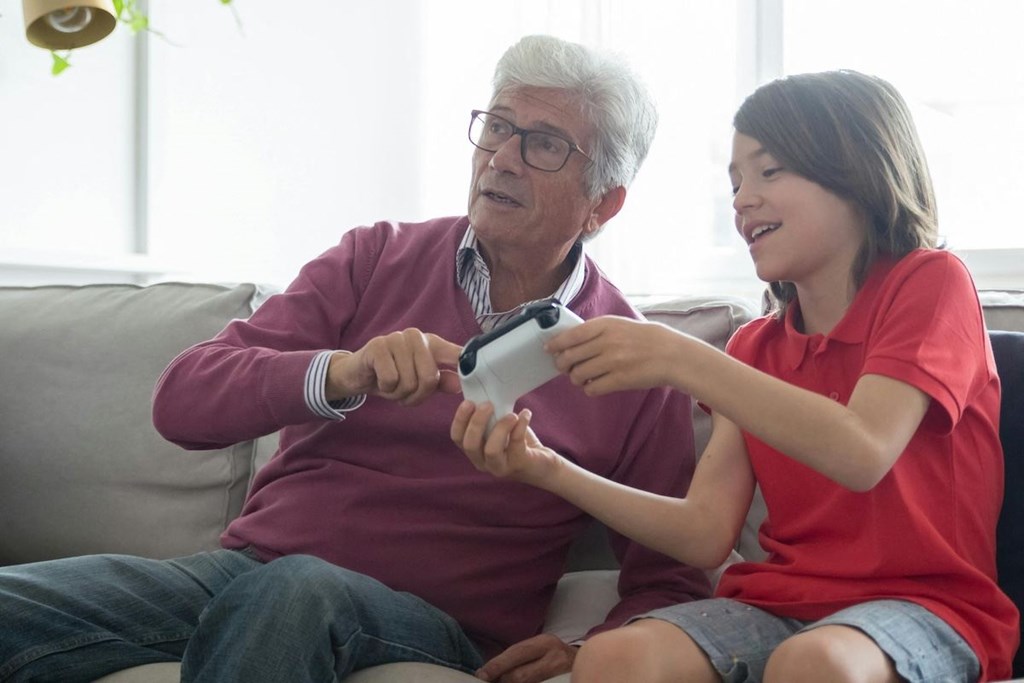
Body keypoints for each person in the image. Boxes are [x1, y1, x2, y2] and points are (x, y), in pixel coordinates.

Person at [0, 35, 709, 683]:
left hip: (434, 621)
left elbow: (674, 573)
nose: (501, 157)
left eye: (544, 144)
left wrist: (588, 645)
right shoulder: (374, 257)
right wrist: (346, 370)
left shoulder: (636, 359)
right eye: (496, 126)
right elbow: (182, 401)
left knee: (298, 590)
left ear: (603, 205)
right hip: (247, 573)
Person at [453, 69, 1020, 682]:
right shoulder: (753, 345)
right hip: (779, 606)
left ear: (857, 174)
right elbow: (703, 534)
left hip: (928, 609)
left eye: (769, 171)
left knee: (818, 661)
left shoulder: (930, 283)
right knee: (617, 653)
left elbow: (864, 450)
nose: (742, 199)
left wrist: (681, 358)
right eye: (735, 182)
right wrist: (550, 470)